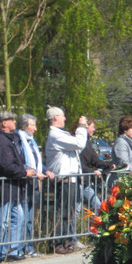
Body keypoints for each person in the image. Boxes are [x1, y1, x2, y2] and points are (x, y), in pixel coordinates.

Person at [0, 110, 36, 262]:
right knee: (2, 220)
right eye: (12, 120)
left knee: (18, 217)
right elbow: (6, 165)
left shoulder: (11, 139)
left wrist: (25, 169)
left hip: (14, 187)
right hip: (4, 187)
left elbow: (18, 160)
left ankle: (13, 249)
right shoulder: (0, 141)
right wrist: (24, 172)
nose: (15, 122)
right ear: (4, 123)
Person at [44, 106, 88, 254]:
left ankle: (67, 241)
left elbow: (77, 148)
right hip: (64, 180)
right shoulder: (55, 135)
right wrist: (81, 127)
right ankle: (58, 243)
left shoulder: (61, 134)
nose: (65, 119)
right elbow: (79, 143)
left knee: (69, 213)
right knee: (62, 212)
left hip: (71, 179)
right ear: (55, 117)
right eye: (63, 116)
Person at [17, 113, 54, 257]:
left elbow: (35, 160)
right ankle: (20, 247)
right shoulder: (19, 140)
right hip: (24, 182)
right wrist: (32, 171)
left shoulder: (30, 140)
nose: (35, 129)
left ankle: (28, 246)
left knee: (31, 216)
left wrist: (45, 170)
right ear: (24, 126)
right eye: (33, 125)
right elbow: (21, 161)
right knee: (23, 216)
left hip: (33, 182)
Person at [78, 118, 115, 213]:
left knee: (93, 206)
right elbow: (79, 163)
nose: (94, 129)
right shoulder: (80, 144)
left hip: (85, 182)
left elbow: (95, 160)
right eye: (92, 127)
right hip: (80, 181)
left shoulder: (87, 143)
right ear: (86, 127)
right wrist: (92, 172)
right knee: (95, 207)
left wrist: (109, 166)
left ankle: (93, 227)